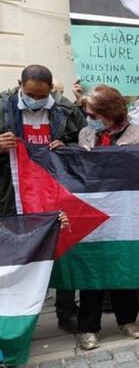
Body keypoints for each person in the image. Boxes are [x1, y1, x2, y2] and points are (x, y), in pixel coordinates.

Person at [0, 65, 82, 333]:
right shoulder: (2, 107)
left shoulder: (64, 109)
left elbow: (84, 140)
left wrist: (67, 147)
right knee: (18, 256)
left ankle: (67, 311)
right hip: (13, 194)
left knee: (63, 251)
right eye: (30, 94)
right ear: (19, 84)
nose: (35, 100)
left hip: (54, 191)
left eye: (42, 95)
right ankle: (19, 317)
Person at [75, 85, 139, 350]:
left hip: (125, 212)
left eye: (93, 114)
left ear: (109, 112)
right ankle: (88, 327)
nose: (89, 118)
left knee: (123, 266)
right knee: (91, 270)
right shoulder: (86, 134)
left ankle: (127, 320)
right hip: (92, 212)